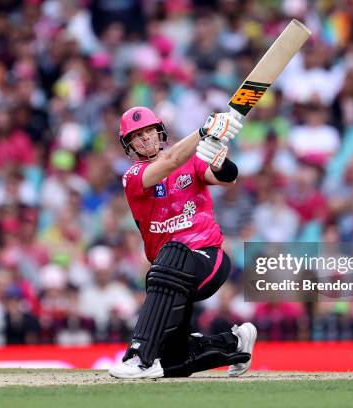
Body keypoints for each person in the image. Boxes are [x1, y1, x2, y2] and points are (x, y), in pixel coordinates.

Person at [109, 107, 257, 379]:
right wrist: (203, 133)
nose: (144, 139)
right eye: (136, 136)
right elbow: (169, 163)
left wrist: (218, 159)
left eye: (148, 132)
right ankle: (235, 341)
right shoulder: (132, 177)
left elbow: (228, 178)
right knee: (174, 363)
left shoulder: (192, 161)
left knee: (173, 253)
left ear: (159, 132)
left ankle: (141, 357)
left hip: (208, 259)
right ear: (128, 145)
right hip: (169, 276)